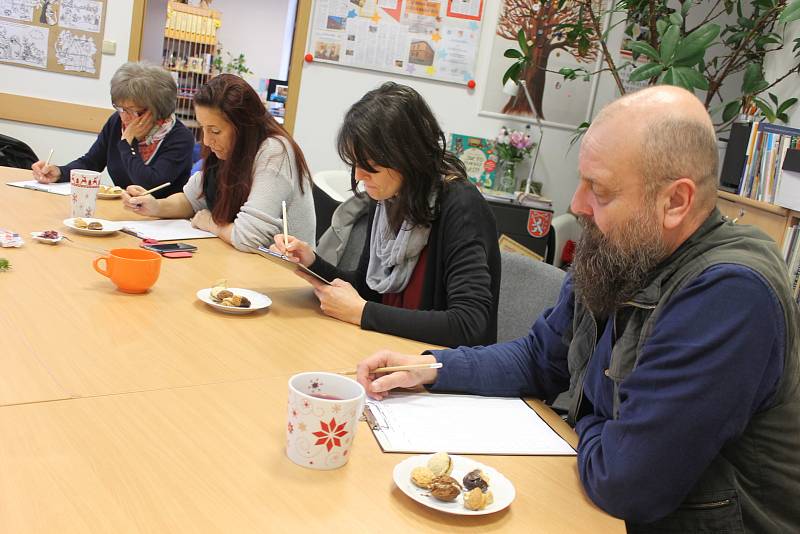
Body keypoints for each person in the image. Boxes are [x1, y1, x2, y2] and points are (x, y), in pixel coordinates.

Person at [355, 86, 800, 532]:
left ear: (676, 202)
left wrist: (582, 420)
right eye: (582, 181)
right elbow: (539, 358)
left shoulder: (731, 294)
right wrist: (431, 368)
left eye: (600, 190)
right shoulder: (623, 248)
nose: (577, 205)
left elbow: (625, 481)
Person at [272, 82, 501, 347]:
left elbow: (468, 324)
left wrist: (363, 313)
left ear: (408, 158)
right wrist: (311, 262)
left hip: (440, 367)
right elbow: (369, 290)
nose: (358, 176)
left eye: (372, 167)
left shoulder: (460, 207)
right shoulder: (387, 199)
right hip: (389, 350)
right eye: (356, 164)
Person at [121, 74, 315, 251]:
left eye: (215, 131)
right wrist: (156, 206)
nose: (206, 140)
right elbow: (192, 199)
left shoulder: (275, 152)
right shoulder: (228, 150)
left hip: (285, 275)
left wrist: (211, 223)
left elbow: (249, 237)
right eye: (203, 128)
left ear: (243, 126)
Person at [32, 62, 193, 198]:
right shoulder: (116, 121)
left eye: (132, 111)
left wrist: (127, 143)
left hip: (162, 222)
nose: (124, 117)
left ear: (157, 111)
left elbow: (148, 186)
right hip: (123, 212)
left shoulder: (179, 138)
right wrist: (59, 172)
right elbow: (92, 162)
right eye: (121, 108)